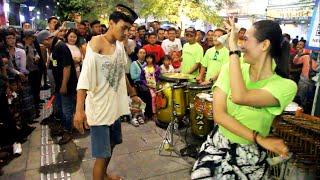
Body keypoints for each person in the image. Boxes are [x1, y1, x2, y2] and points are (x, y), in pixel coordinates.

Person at [191, 18, 297, 179]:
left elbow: (240, 96)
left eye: (245, 39)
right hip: (217, 147)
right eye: (240, 40)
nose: (241, 44)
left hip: (250, 156)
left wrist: (233, 50)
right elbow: (219, 115)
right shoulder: (232, 67)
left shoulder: (285, 86)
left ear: (264, 45)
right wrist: (260, 138)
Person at [73, 4, 142, 180]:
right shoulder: (96, 42)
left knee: (111, 146)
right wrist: (79, 111)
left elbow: (121, 73)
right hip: (100, 110)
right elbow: (84, 79)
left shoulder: (118, 46)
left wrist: (132, 93)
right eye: (124, 28)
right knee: (101, 155)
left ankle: (104, 175)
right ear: (111, 23)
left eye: (129, 29)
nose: (127, 33)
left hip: (114, 108)